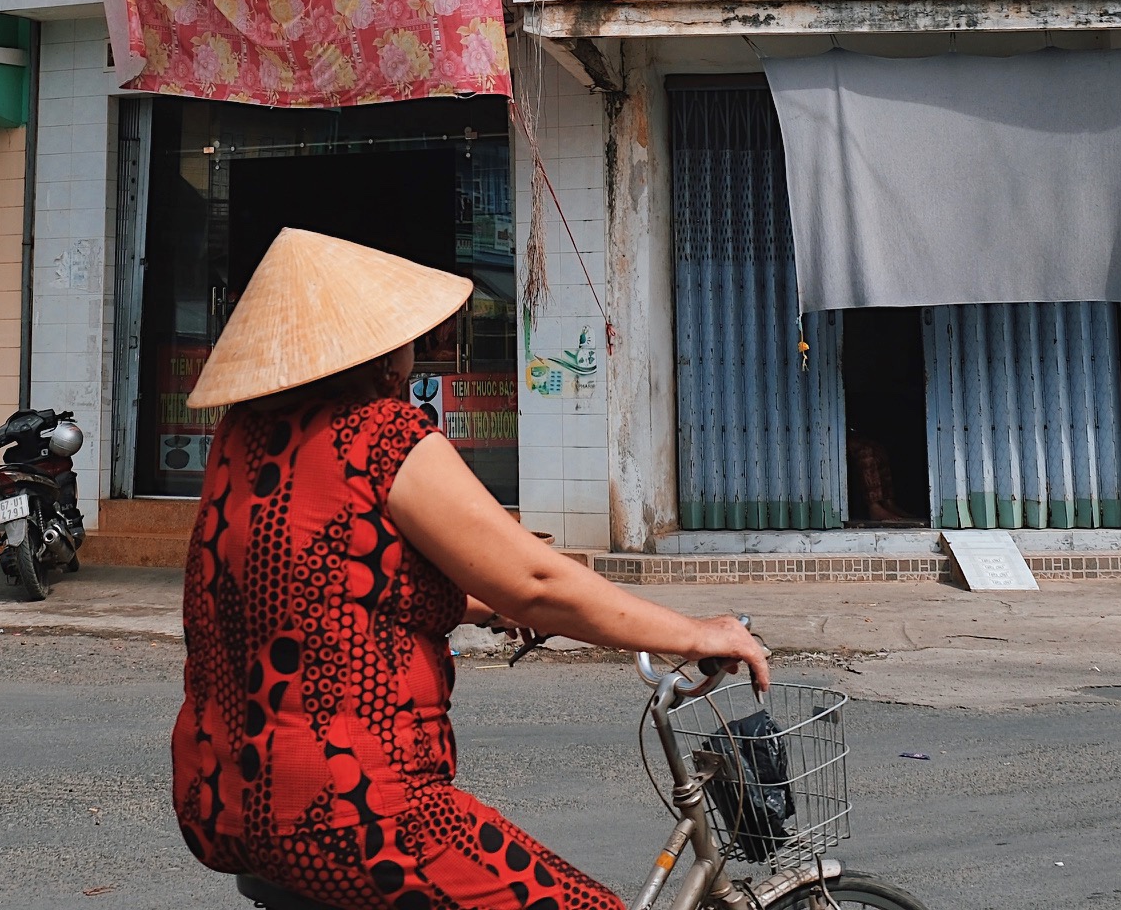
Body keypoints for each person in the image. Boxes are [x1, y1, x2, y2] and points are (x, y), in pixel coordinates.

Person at [172, 228, 770, 910]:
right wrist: (694, 633)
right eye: (404, 335)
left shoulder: (240, 442)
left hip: (220, 801)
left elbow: (323, 588)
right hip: (358, 817)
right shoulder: (382, 436)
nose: (415, 348)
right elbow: (538, 582)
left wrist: (482, 606)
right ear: (376, 352)